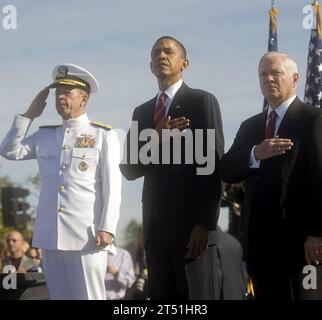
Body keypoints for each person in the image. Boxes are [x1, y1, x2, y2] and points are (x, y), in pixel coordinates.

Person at [221, 52, 322, 300]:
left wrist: (320, 234)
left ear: (295, 78)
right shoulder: (250, 126)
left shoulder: (314, 120)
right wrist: (256, 152)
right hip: (260, 248)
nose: (268, 79)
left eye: (275, 73)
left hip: (304, 248)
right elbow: (227, 168)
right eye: (263, 75)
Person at [0, 63, 121, 299]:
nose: (60, 98)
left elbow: (112, 187)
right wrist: (28, 115)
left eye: (67, 93)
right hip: (52, 235)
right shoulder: (45, 135)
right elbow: (9, 151)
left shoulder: (103, 135)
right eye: (58, 93)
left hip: (88, 237)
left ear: (83, 99)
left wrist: (107, 227)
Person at [120, 36, 224, 299]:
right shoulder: (141, 112)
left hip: (191, 229)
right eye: (156, 53)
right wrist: (154, 137)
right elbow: (130, 170)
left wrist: (204, 222)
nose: (161, 56)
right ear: (150, 66)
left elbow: (211, 164)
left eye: (169, 51)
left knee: (193, 297)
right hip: (155, 228)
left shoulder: (201, 101)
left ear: (184, 62)